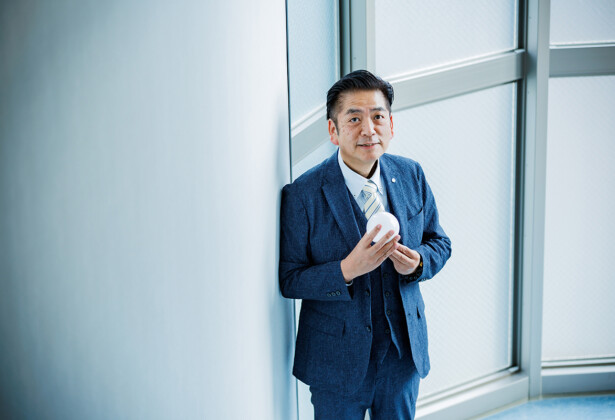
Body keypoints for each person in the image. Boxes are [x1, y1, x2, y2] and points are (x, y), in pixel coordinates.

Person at [279, 70, 451, 420]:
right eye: (354, 118)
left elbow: (440, 243)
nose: (369, 129)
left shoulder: (411, 174)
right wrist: (347, 270)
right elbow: (290, 279)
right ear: (333, 130)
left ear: (391, 124)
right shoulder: (303, 195)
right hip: (335, 362)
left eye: (377, 117)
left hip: (402, 358)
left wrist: (418, 263)